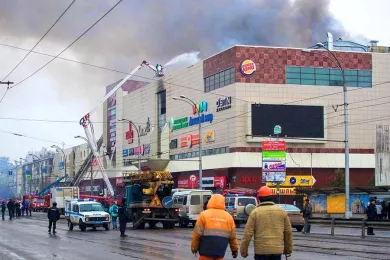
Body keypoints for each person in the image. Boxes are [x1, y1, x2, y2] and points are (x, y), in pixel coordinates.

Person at [241, 186, 293, 260]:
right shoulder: (281, 212)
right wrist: (288, 249)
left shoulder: (255, 212)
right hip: (276, 252)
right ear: (271, 197)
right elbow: (288, 232)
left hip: (261, 252)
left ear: (259, 198)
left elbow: (247, 234)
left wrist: (244, 250)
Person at [191, 194, 239, 260]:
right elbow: (233, 237)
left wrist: (194, 247)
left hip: (205, 250)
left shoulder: (204, 215)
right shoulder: (229, 217)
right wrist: (234, 250)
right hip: (220, 250)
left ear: (210, 201)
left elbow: (196, 234)